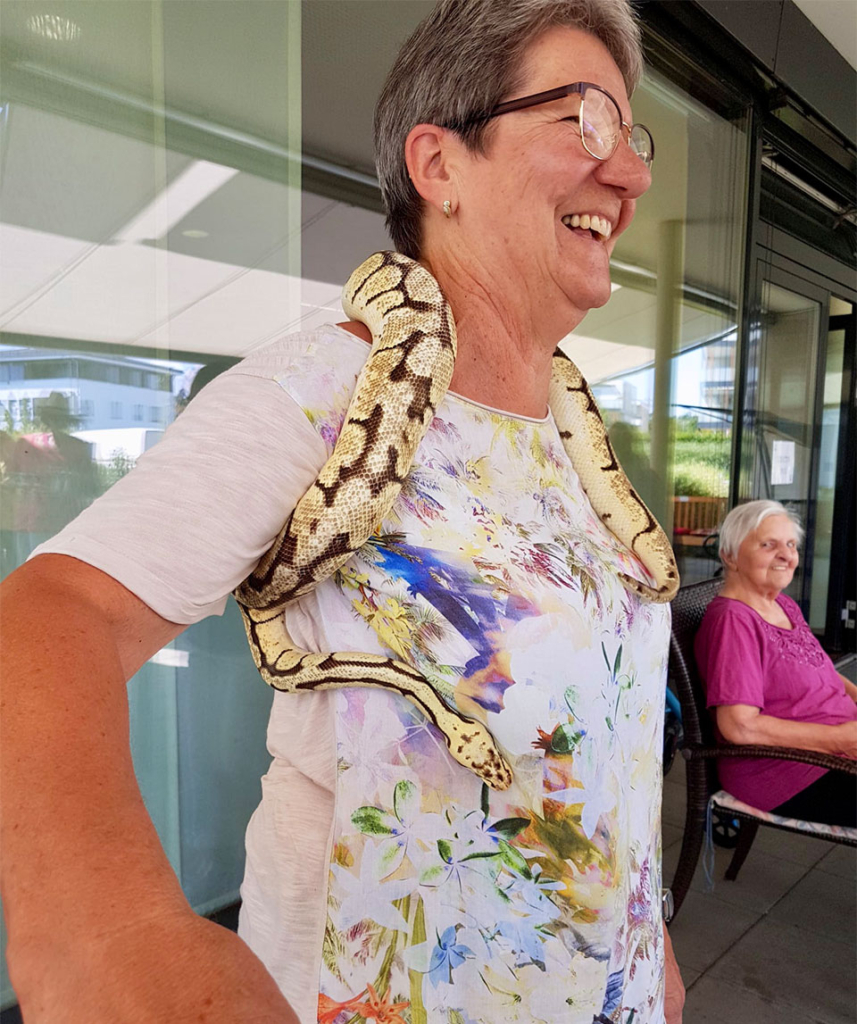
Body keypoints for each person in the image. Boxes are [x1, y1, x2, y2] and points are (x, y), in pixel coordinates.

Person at [0, 2, 685, 1021]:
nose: (628, 175)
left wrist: (645, 936)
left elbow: (595, 730)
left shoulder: (569, 434)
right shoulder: (322, 391)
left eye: (629, 135)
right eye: (582, 120)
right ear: (439, 164)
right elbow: (47, 616)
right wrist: (111, 933)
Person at [695, 500, 857, 826]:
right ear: (729, 556)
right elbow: (739, 726)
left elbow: (823, 670)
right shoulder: (734, 621)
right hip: (789, 771)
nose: (786, 555)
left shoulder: (783, 604)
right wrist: (841, 739)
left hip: (835, 746)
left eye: (791, 544)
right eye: (768, 545)